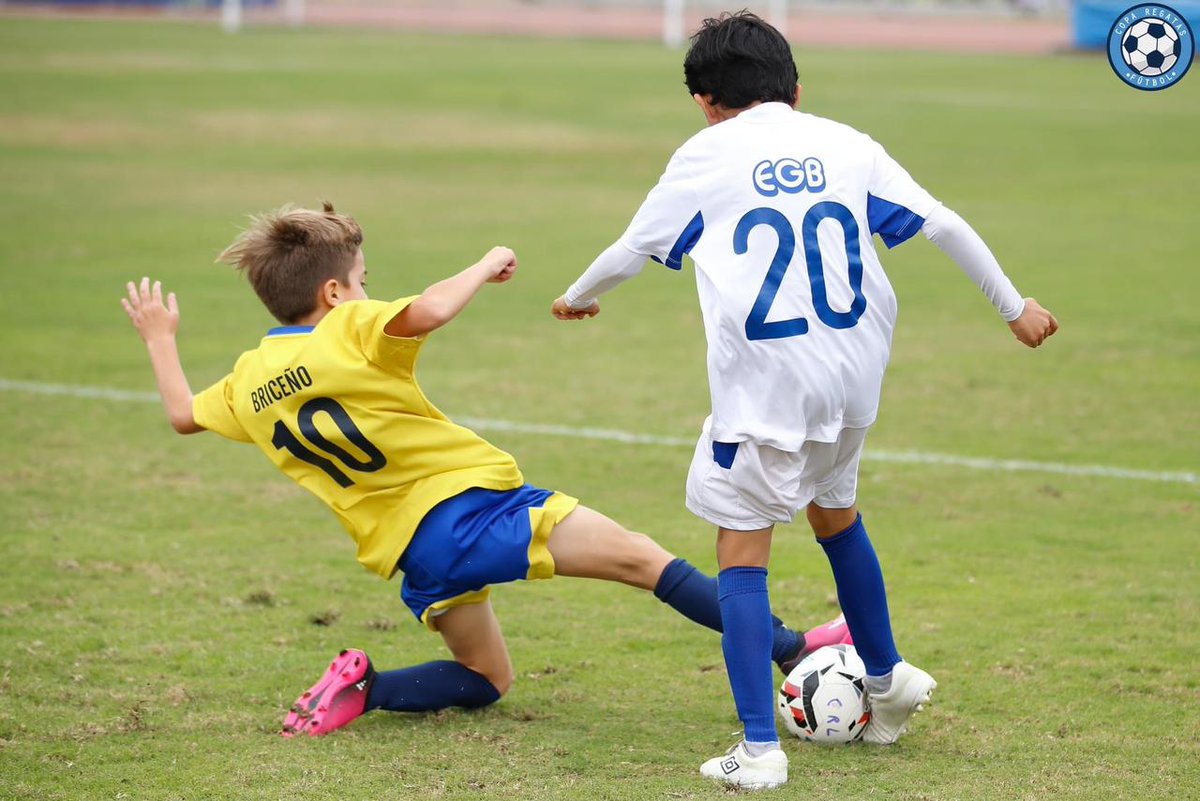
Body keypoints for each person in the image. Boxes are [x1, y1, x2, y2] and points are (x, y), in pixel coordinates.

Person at [551, 11, 1058, 790]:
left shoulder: (702, 156)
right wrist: (1014, 306)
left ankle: (759, 749)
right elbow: (941, 223)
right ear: (795, 87)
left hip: (769, 395)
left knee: (740, 550)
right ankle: (886, 678)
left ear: (705, 100)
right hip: (854, 382)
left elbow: (631, 249)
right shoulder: (847, 144)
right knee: (835, 515)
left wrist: (579, 296)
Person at [119, 202, 850, 741]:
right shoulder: (347, 327)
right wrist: (488, 258)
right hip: (474, 512)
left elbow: (184, 413)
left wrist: (160, 337)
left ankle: (364, 688)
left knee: (487, 680)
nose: (370, 292)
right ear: (334, 294)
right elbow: (430, 309)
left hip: (411, 553)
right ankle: (797, 649)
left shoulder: (250, 381)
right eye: (363, 280)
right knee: (643, 559)